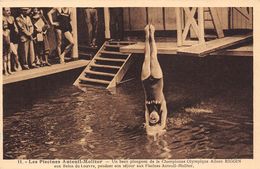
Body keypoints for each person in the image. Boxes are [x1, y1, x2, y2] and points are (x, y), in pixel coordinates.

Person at [142, 24, 167, 135]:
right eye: (155, 119)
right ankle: (153, 35)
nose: (153, 117)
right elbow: (163, 123)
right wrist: (161, 126)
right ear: (159, 118)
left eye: (151, 119)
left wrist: (148, 126)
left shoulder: (147, 109)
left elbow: (147, 122)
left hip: (145, 81)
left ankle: (147, 36)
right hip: (158, 81)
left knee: (147, 56)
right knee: (153, 57)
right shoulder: (162, 107)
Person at [3, 7, 22, 72]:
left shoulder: (12, 18)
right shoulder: (3, 19)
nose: (9, 12)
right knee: (15, 53)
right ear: (3, 11)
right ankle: (18, 64)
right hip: (9, 37)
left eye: (9, 10)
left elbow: (15, 26)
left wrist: (16, 30)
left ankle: (14, 66)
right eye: (7, 10)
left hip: (14, 37)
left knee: (14, 53)